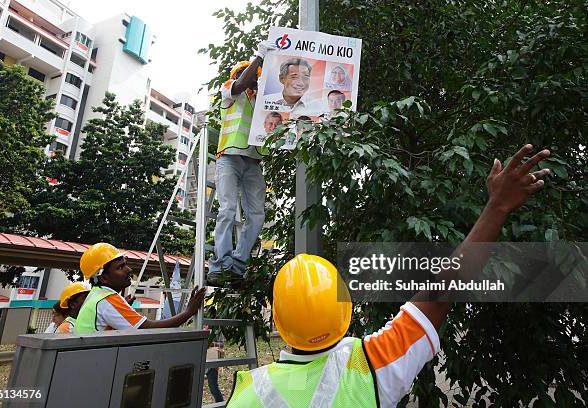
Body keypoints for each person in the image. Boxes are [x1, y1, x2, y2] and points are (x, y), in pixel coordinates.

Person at [226, 144, 551, 407]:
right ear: (344, 306)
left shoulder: (250, 392)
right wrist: (497, 206)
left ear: (281, 324)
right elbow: (442, 292)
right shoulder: (371, 366)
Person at [208, 40, 278, 285]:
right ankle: (220, 264)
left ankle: (237, 265)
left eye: (255, 75)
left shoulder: (262, 102)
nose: (251, 78)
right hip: (228, 157)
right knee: (227, 210)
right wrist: (258, 57)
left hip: (253, 162)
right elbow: (240, 85)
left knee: (257, 216)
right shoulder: (230, 90)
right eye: (246, 73)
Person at [75, 243, 206, 333]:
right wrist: (188, 312)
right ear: (103, 278)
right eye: (120, 267)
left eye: (125, 265)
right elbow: (148, 328)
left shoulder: (96, 295)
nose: (129, 270)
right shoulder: (108, 299)